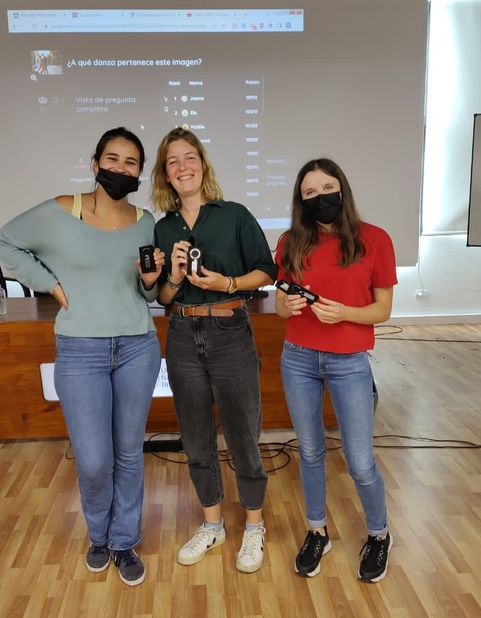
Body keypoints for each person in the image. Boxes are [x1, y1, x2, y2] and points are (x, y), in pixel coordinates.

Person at [0, 127, 163, 587]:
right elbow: (4, 241)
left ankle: (124, 541)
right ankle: (98, 536)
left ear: (140, 173)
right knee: (93, 460)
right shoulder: (59, 211)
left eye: (131, 163)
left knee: (128, 453)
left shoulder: (148, 223)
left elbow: (147, 291)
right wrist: (50, 284)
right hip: (80, 351)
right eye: (113, 159)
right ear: (95, 163)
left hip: (137, 347)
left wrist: (152, 278)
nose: (121, 169)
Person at [150, 128, 277, 573]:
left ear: (202, 163)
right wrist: (176, 277)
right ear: (164, 174)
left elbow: (266, 271)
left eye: (189, 157)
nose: (182, 167)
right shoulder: (162, 227)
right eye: (172, 161)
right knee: (196, 436)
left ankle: (254, 527)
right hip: (182, 335)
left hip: (229, 331)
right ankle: (213, 524)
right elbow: (164, 298)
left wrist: (227, 283)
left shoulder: (234, 215)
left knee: (243, 435)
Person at [274, 158, 397, 582]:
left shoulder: (375, 239)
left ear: (341, 190)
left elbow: (382, 309)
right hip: (298, 358)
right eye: (309, 193)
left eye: (327, 188)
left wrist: (345, 313)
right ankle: (316, 530)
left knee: (360, 461)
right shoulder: (291, 241)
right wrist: (284, 305)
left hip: (349, 362)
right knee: (309, 452)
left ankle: (379, 535)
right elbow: (279, 299)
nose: (319, 197)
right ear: (301, 201)